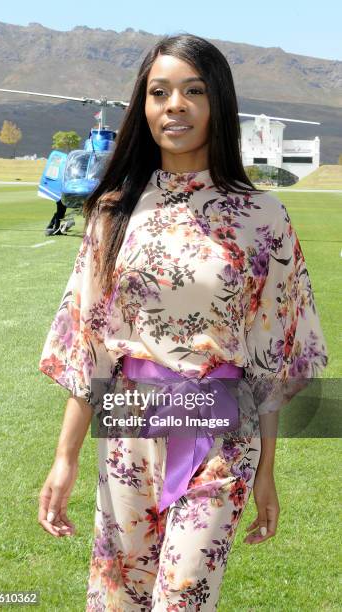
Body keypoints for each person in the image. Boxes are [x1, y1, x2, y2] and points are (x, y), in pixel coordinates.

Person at [37, 34, 328, 610]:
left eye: (193, 90)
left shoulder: (263, 216)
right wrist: (64, 459)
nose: (175, 104)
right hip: (128, 425)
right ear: (143, 109)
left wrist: (268, 469)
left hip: (223, 430)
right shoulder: (114, 211)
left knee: (184, 596)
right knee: (122, 594)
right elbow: (90, 342)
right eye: (159, 92)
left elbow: (272, 353)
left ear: (218, 102)